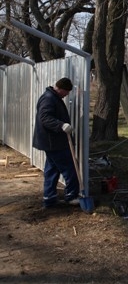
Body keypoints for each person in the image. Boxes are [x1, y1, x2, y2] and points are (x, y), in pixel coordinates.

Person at [33, 77, 80, 208]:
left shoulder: (53, 97)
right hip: (53, 142)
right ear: (60, 89)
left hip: (51, 142)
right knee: (69, 168)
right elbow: (45, 118)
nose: (67, 94)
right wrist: (61, 125)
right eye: (66, 91)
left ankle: (49, 198)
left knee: (52, 170)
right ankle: (71, 196)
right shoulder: (49, 98)